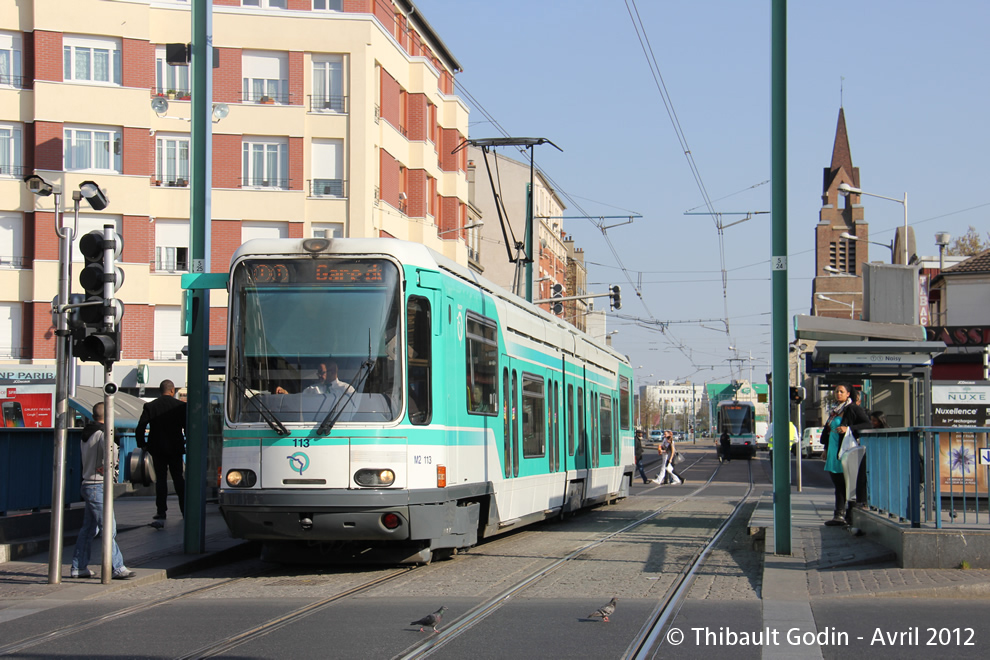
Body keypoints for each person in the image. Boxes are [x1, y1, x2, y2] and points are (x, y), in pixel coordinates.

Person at [70, 402, 134, 579]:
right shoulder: (103, 434)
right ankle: (117, 567)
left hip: (87, 483)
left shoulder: (87, 433)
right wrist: (109, 467)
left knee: (89, 528)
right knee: (109, 528)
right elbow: (111, 455)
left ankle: (78, 566)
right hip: (98, 484)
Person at [136, 379, 187, 521]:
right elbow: (187, 426)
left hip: (157, 448)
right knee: (178, 478)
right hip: (175, 447)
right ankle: (184, 510)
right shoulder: (180, 406)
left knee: (161, 480)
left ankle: (161, 511)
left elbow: (140, 427)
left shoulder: (150, 406)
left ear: (160, 390)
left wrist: (142, 444)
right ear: (172, 390)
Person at [820, 383, 869, 526]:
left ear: (848, 394)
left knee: (846, 482)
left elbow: (867, 424)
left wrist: (848, 428)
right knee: (838, 483)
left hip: (846, 450)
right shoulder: (835, 410)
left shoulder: (853, 409)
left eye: (841, 391)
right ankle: (840, 514)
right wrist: (826, 448)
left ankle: (848, 514)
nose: (838, 394)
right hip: (833, 451)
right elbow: (828, 431)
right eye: (836, 391)